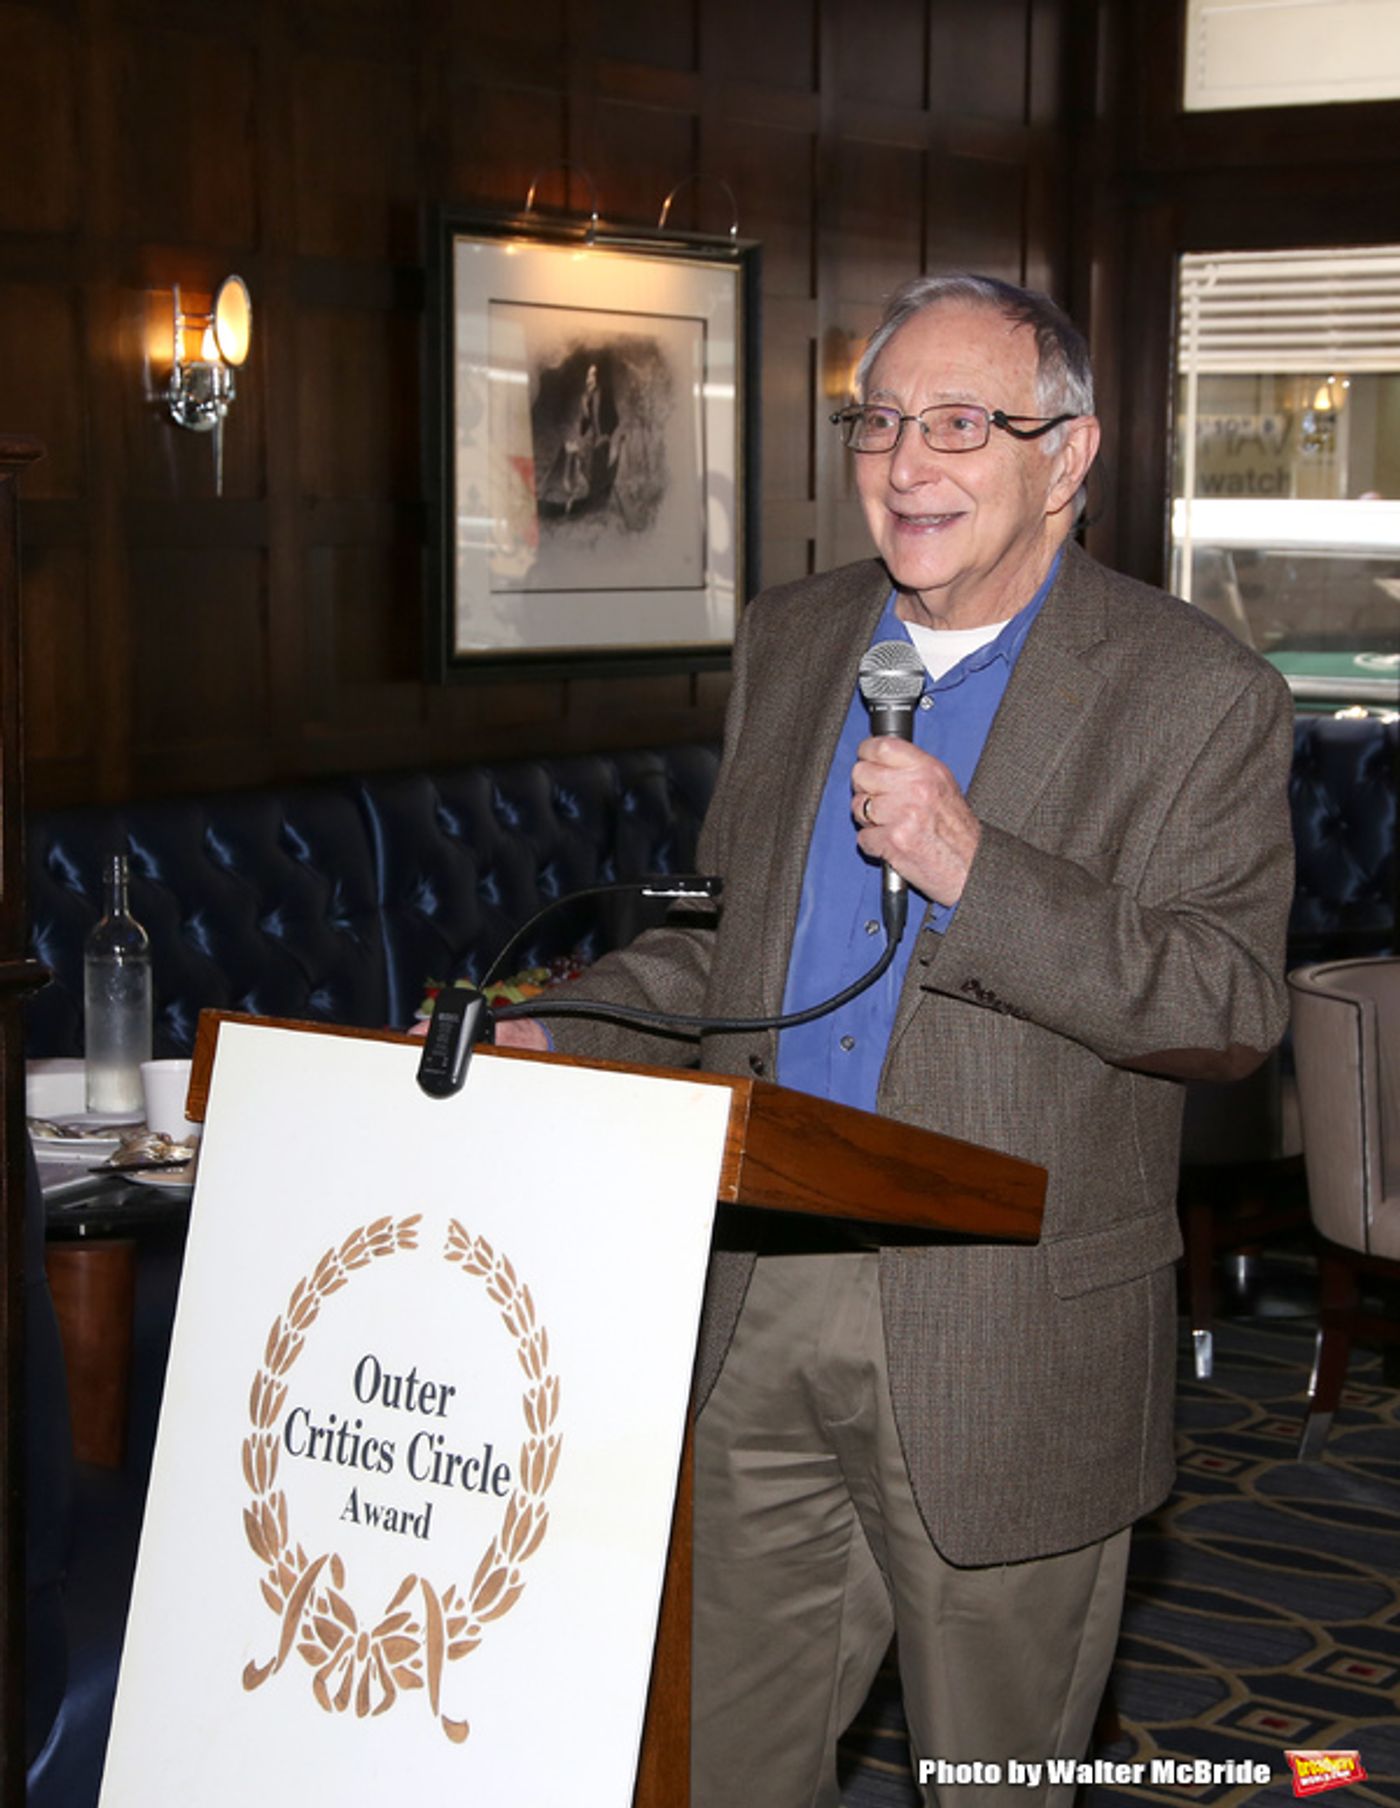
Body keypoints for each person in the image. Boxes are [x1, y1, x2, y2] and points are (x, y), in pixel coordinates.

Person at [497, 272, 1295, 1806]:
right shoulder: (796, 640)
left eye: (960, 425)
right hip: (763, 1290)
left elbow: (1226, 1006)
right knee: (714, 1766)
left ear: (1067, 458)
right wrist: (571, 1031)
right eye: (879, 423)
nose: (907, 463)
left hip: (1012, 1326)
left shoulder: (1198, 694)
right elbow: (734, 953)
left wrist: (977, 872)